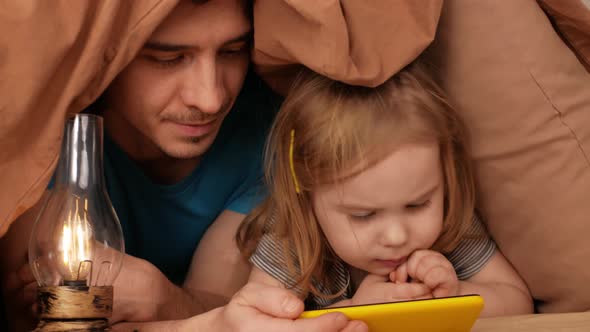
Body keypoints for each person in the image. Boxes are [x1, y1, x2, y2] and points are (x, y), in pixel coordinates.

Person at [0, 1, 368, 331]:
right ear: (106, 61)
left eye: (232, 51)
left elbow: (227, 305)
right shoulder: (42, 145)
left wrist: (158, 296)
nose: (210, 98)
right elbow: (37, 312)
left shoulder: (269, 136)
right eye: (167, 58)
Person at [236, 63, 534, 316]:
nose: (397, 236)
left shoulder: (450, 223)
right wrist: (358, 312)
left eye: (417, 205)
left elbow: (518, 303)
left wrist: (455, 294)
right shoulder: (293, 237)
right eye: (363, 215)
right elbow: (256, 323)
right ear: (307, 196)